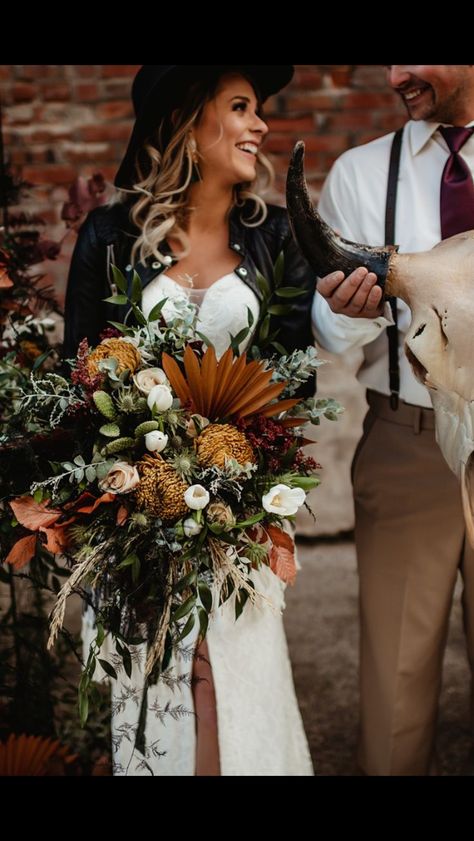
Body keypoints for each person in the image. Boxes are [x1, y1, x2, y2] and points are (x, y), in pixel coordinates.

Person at [63, 64, 315, 776]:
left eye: (258, 109)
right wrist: (123, 482)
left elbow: (293, 385)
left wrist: (257, 491)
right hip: (137, 506)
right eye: (240, 107)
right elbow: (77, 379)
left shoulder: (274, 238)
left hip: (239, 509)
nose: (260, 125)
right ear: (185, 122)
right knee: (157, 688)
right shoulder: (109, 238)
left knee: (229, 681)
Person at [312, 65, 474, 776]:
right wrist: (346, 310)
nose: (394, 74)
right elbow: (323, 326)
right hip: (409, 449)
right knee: (395, 699)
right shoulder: (359, 173)